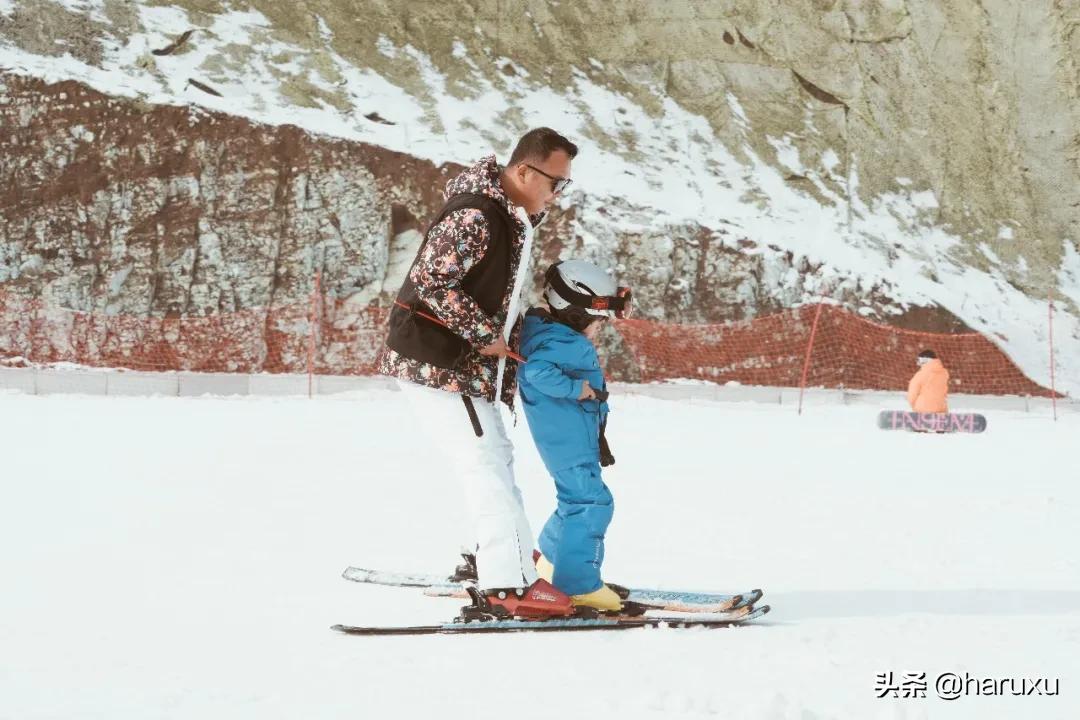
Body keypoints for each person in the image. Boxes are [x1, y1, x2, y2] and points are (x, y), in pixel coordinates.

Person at [378, 128, 579, 619]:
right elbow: (430, 278)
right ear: (524, 171)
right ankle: (504, 584)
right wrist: (482, 332)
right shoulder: (477, 215)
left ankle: (500, 553)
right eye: (556, 182)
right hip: (441, 362)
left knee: (494, 456)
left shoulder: (511, 215)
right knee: (483, 460)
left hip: (462, 364)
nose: (557, 194)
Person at [518, 260, 632, 612]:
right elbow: (536, 371)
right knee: (593, 503)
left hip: (564, 440)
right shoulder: (563, 343)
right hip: (569, 442)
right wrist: (575, 389)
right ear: (578, 312)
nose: (601, 329)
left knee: (575, 501)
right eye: (600, 321)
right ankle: (578, 585)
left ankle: (553, 563)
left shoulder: (547, 332)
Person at [907, 349, 949, 413]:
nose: (918, 363)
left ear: (924, 360)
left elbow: (912, 394)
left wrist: (914, 406)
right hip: (941, 409)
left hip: (922, 409)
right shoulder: (944, 373)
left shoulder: (920, 374)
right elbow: (944, 392)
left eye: (919, 360)